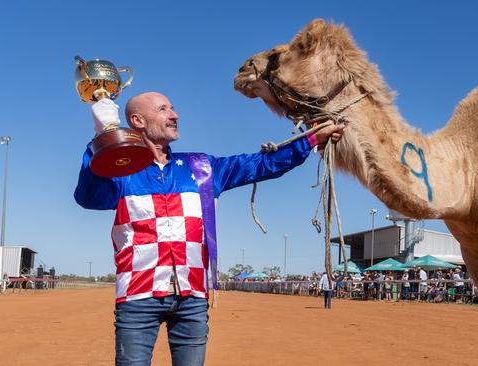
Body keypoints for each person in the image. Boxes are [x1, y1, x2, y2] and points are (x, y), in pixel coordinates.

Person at [74, 93, 344, 366]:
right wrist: (103, 135)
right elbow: (88, 196)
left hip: (192, 299)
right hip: (137, 297)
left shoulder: (202, 167)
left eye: (173, 107)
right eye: (164, 109)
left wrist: (310, 140)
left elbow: (262, 164)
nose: (174, 114)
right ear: (138, 121)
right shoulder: (122, 172)